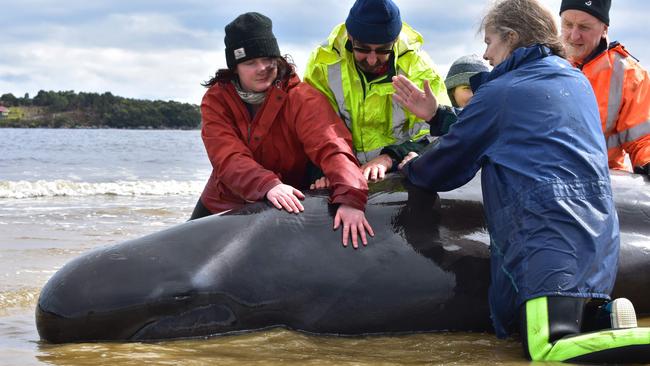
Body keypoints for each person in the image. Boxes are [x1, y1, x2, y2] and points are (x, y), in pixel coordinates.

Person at [392, 0, 650, 362]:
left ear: (511, 39)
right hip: (597, 242)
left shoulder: (503, 91)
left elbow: (445, 166)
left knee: (547, 348)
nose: (485, 54)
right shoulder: (573, 80)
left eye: (489, 41)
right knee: (579, 339)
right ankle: (609, 320)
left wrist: (412, 165)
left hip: (547, 242)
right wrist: (439, 116)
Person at [191, 12, 374, 249]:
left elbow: (333, 145)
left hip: (281, 203)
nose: (263, 68)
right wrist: (267, 184)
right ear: (235, 68)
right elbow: (227, 157)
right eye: (250, 63)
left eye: (268, 59)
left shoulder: (301, 97)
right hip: (222, 201)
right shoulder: (216, 100)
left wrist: (351, 197)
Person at [303, 0, 450, 182]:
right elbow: (316, 130)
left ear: (395, 40)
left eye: (382, 50)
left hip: (397, 175)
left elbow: (434, 135)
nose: (372, 60)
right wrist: (326, 170)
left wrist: (389, 157)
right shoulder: (322, 65)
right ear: (350, 36)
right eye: (363, 49)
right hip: (339, 172)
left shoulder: (421, 70)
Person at [559, 0, 650, 175]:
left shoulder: (629, 75)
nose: (573, 35)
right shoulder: (541, 64)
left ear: (604, 30)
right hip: (546, 179)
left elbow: (643, 140)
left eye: (584, 27)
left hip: (603, 183)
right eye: (568, 24)